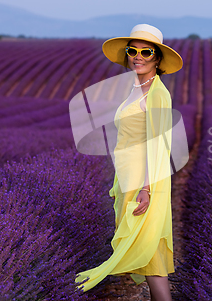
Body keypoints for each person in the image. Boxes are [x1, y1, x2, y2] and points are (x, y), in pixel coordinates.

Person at [75, 24, 183, 301]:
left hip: (145, 182)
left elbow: (157, 146)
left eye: (146, 51)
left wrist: (146, 189)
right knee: (150, 255)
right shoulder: (135, 89)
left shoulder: (157, 94)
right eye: (132, 50)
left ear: (157, 59)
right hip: (128, 177)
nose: (138, 56)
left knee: (149, 249)